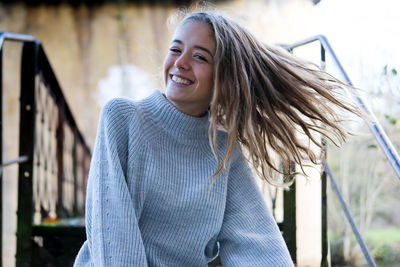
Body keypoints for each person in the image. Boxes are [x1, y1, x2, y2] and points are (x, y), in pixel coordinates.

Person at [74, 10, 360, 267]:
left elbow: (258, 244)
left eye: (200, 57)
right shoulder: (123, 118)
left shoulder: (224, 150)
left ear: (223, 76)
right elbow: (113, 235)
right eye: (176, 49)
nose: (181, 63)